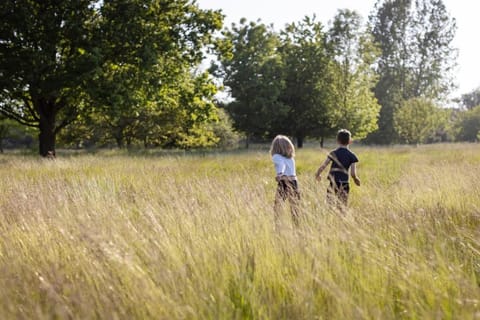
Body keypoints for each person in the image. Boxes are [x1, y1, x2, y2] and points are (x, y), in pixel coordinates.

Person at [315, 129, 360, 208]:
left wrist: (318, 174)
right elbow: (353, 173)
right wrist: (356, 179)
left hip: (333, 183)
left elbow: (324, 165)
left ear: (337, 140)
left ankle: (332, 219)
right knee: (342, 206)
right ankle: (341, 219)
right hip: (345, 184)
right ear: (350, 141)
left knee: (330, 205)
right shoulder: (352, 155)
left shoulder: (333, 153)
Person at [270, 135, 300, 225]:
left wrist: (280, 174)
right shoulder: (290, 158)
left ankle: (278, 226)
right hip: (294, 182)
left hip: (284, 182)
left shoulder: (276, 156)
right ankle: (297, 226)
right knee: (295, 207)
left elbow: (281, 165)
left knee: (277, 206)